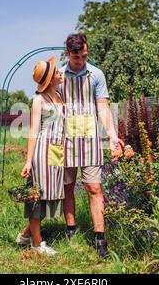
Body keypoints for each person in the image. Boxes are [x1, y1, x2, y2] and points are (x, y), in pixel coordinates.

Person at [58, 32, 124, 258]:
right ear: (68, 54)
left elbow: (103, 107)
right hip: (64, 139)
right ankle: (70, 229)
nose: (81, 61)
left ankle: (100, 240)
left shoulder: (96, 74)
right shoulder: (58, 76)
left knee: (94, 188)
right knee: (66, 186)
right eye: (77, 57)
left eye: (85, 56)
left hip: (90, 138)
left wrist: (113, 136)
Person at [17, 56, 65, 255]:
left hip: (57, 151)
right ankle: (37, 244)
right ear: (49, 79)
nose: (60, 72)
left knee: (50, 196)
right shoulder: (38, 100)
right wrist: (28, 161)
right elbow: (33, 131)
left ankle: (26, 234)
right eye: (56, 72)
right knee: (39, 197)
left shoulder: (59, 96)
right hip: (42, 152)